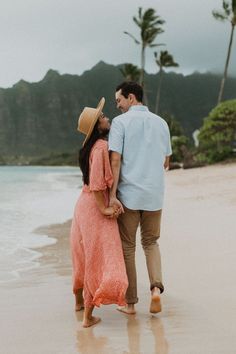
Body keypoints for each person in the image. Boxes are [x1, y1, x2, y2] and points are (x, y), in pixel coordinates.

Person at [108, 82, 172, 315]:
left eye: (119, 100)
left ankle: (131, 303)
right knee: (151, 242)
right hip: (155, 195)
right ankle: (155, 289)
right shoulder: (161, 123)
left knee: (127, 247)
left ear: (131, 97)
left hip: (129, 195)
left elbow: (115, 160)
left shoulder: (120, 123)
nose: (117, 105)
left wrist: (112, 194)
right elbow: (166, 161)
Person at [70, 97, 128, 328]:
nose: (107, 118)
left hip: (82, 204)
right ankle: (88, 317)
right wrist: (104, 207)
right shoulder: (102, 146)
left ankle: (78, 302)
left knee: (81, 253)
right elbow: (96, 184)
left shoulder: (88, 148)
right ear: (97, 127)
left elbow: (89, 183)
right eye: (102, 117)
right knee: (97, 258)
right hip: (94, 206)